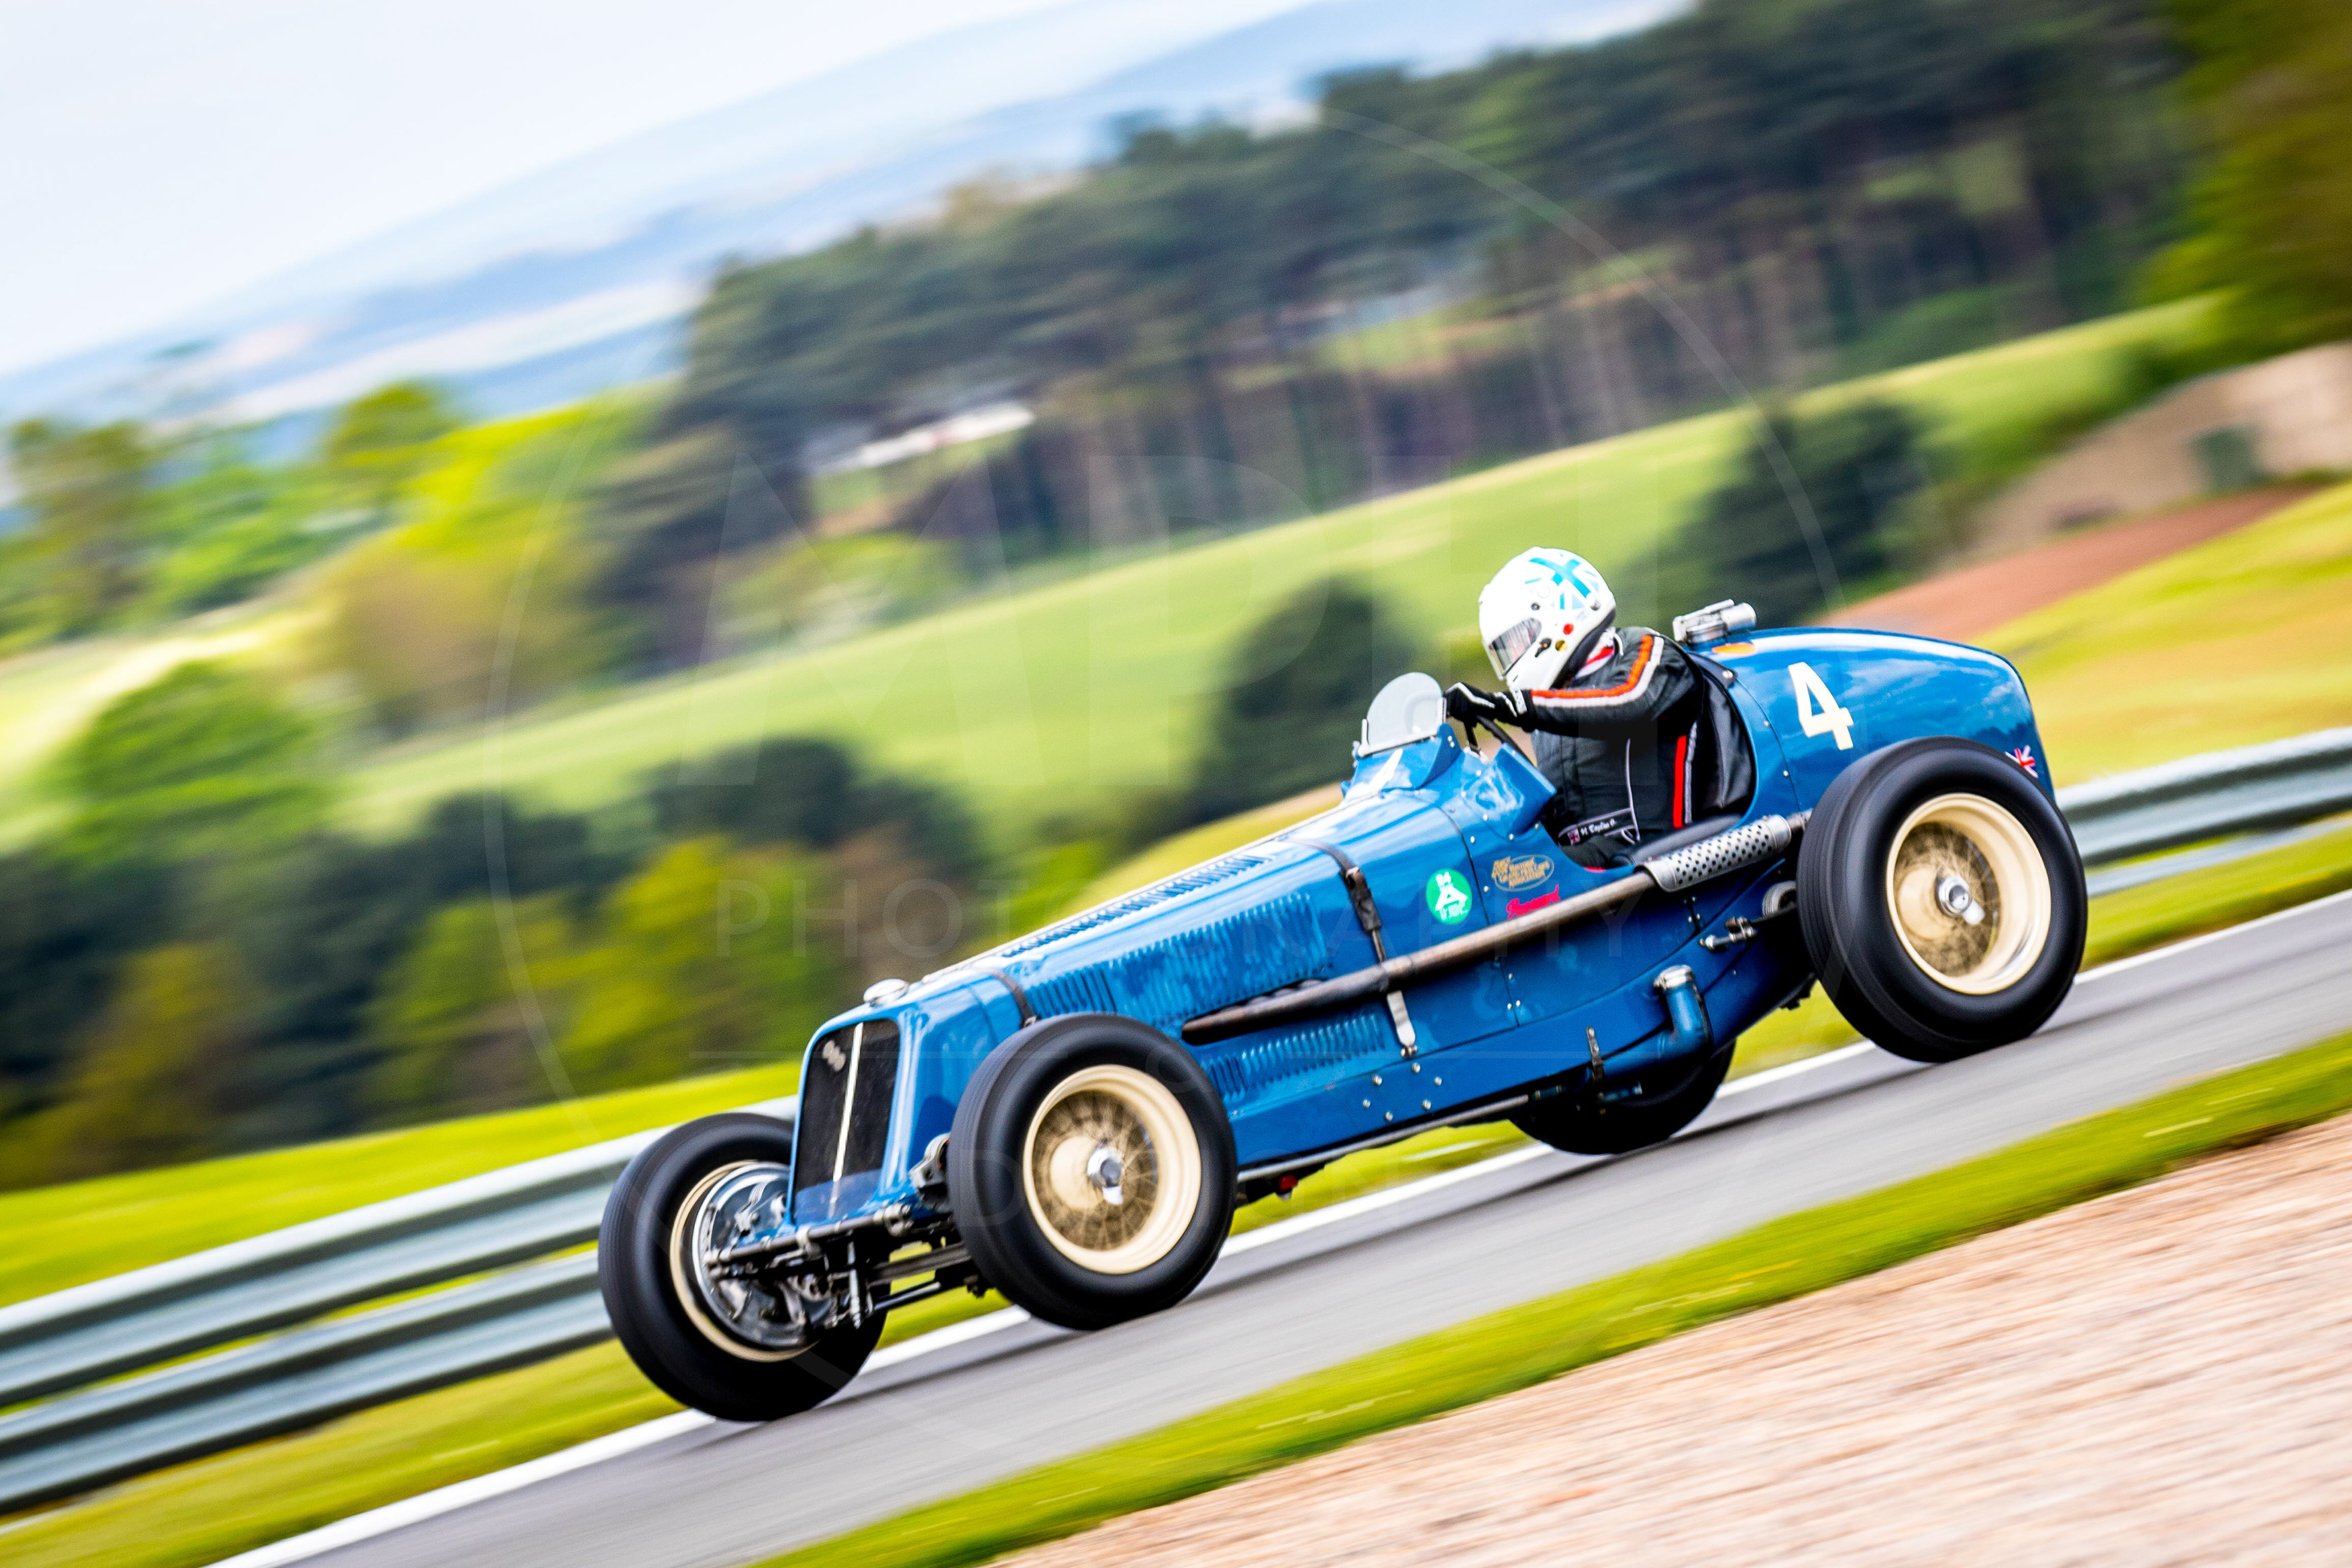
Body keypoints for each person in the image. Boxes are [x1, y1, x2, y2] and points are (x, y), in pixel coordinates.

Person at [1445, 548, 1749, 862]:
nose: (1513, 657)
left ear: (1557, 616)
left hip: (1655, 856)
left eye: (1518, 641)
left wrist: (1509, 705)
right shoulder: (1547, 711)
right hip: (1590, 869)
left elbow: (1628, 703)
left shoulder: (1646, 650)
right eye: (1504, 652)